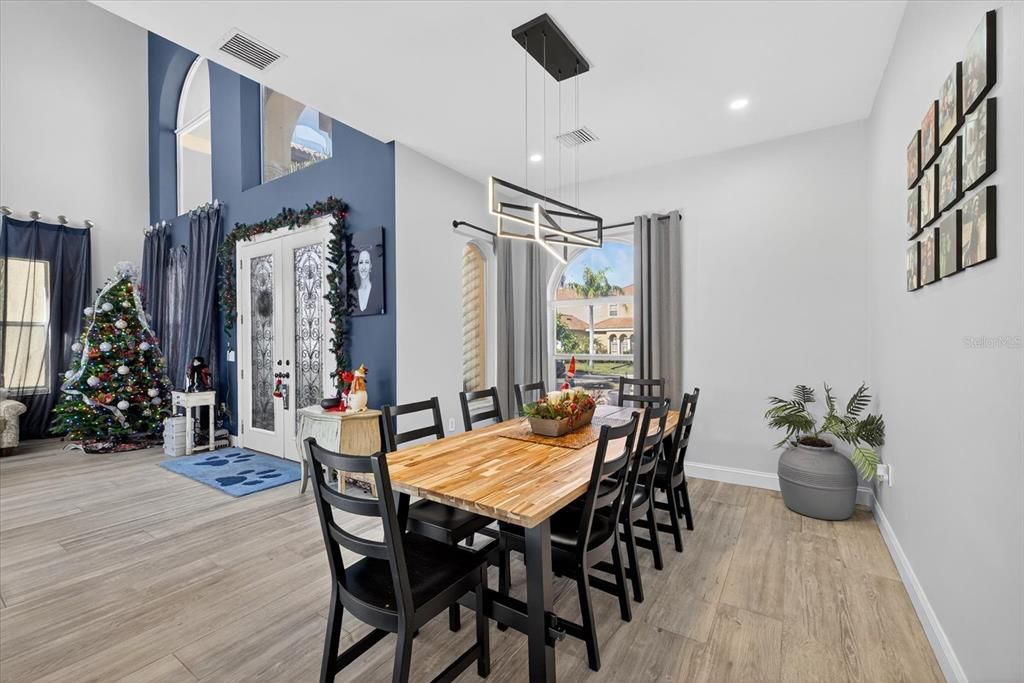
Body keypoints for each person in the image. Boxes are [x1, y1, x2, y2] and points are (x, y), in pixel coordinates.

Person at [354, 248, 382, 314]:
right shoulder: (352, 293)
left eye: (367, 262)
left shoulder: (378, 289)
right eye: (361, 262)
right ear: (357, 266)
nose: (363, 267)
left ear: (370, 266)